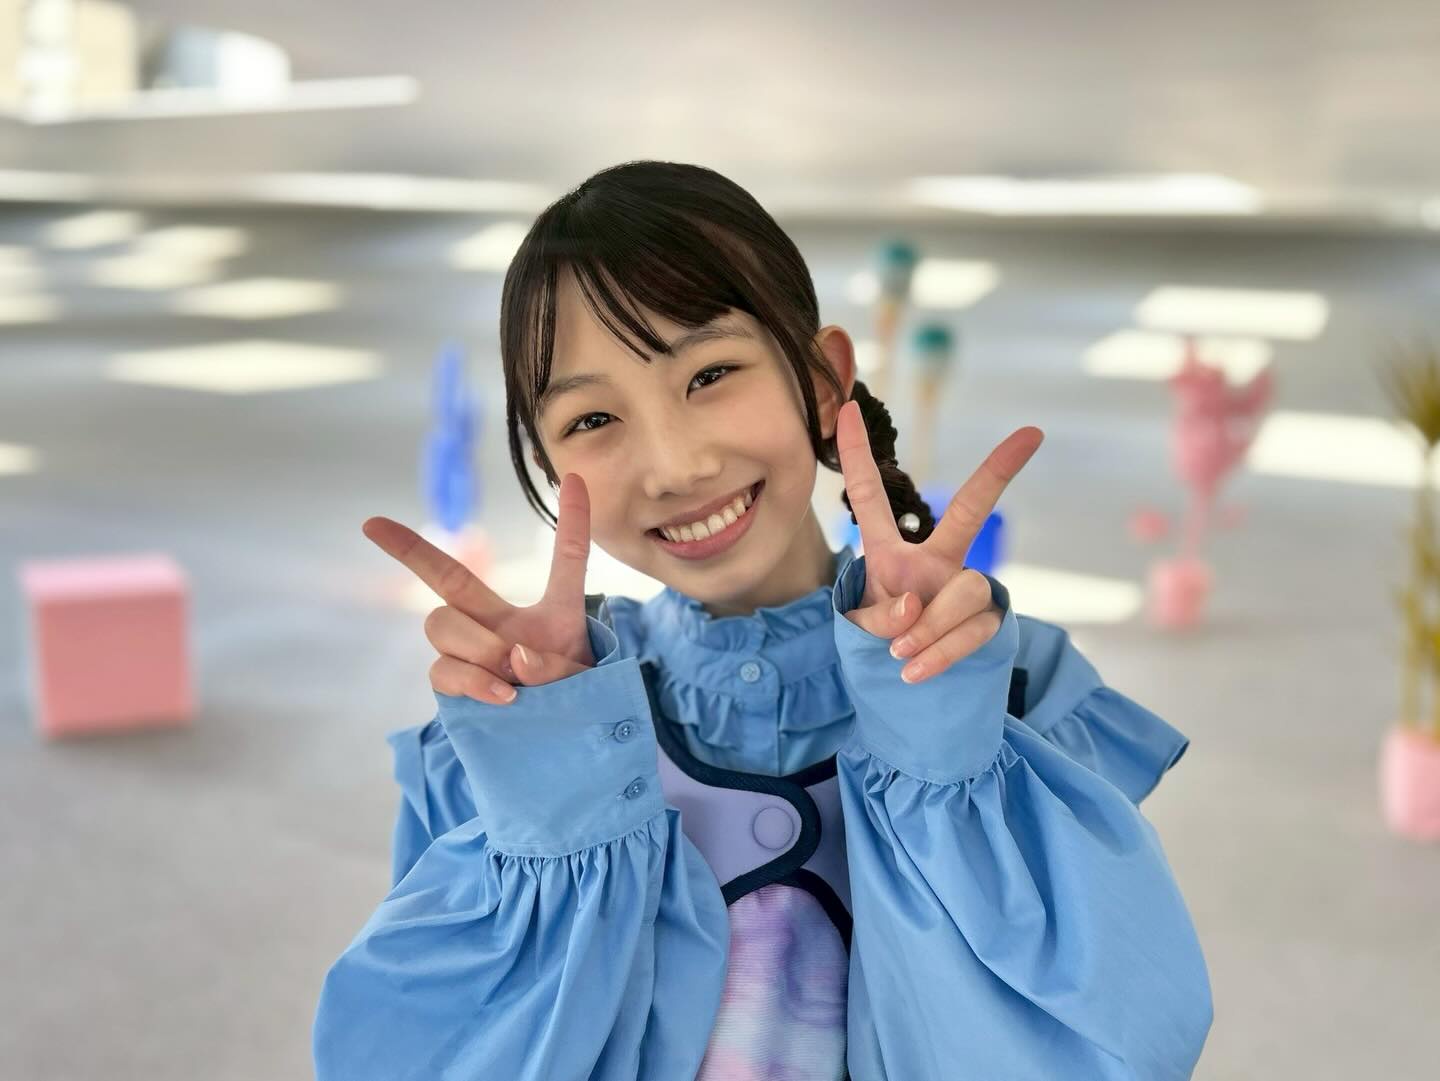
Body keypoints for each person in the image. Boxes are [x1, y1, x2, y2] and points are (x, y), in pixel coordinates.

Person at [313, 161, 1212, 1080]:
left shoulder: (1007, 685)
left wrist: (938, 740)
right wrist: (559, 783)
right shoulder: (512, 731)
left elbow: (1107, 1037)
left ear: (822, 383)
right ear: (548, 464)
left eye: (709, 373)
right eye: (592, 419)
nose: (675, 465)